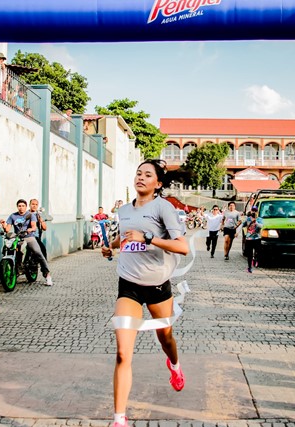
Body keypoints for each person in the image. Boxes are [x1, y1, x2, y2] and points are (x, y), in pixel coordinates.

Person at [101, 159, 188, 427]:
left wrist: (148, 238)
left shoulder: (164, 208)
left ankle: (174, 365)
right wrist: (112, 247)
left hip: (158, 286)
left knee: (165, 337)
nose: (140, 177)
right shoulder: (125, 210)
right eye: (138, 173)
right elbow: (127, 236)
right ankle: (119, 418)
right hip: (128, 285)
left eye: (147, 175)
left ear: (158, 184)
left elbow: (182, 247)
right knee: (123, 353)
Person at [0, 199, 53, 286]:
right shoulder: (13, 216)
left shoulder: (30, 215)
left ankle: (47, 275)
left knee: (38, 252)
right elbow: (7, 229)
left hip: (29, 237)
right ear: (17, 207)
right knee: (9, 248)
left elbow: (34, 226)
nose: (21, 208)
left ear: (26, 207)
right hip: (18, 237)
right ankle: (15, 267)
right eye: (19, 206)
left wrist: (30, 229)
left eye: (23, 206)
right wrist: (3, 225)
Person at [244, 209, 260, 273]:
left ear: (257, 212)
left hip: (257, 238)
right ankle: (249, 267)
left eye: (255, 211)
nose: (254, 212)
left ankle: (255, 259)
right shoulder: (248, 219)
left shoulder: (259, 219)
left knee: (257, 252)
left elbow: (261, 226)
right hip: (249, 238)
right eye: (253, 211)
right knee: (249, 254)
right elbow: (243, 225)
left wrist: (255, 222)